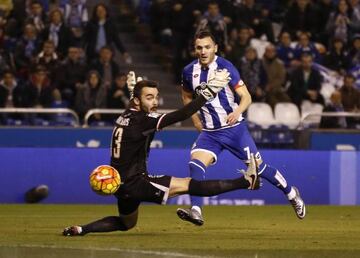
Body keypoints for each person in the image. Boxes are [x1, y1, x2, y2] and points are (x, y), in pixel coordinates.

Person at [63, 71, 260, 236]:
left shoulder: (126, 115)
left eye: (156, 96)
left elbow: (138, 111)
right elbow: (181, 114)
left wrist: (134, 90)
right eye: (149, 97)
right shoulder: (144, 121)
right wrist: (206, 94)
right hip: (136, 182)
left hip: (121, 185)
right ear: (137, 101)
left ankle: (81, 229)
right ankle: (246, 181)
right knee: (190, 185)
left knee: (126, 223)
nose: (155, 101)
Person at [178, 30, 305, 226]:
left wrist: (237, 112)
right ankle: (196, 210)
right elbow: (186, 96)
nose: (203, 51)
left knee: (260, 168)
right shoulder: (188, 71)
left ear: (215, 48)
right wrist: (195, 120)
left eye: (207, 47)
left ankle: (291, 193)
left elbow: (246, 97)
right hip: (210, 133)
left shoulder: (226, 67)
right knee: (195, 165)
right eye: (199, 47)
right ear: (194, 49)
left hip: (234, 130)